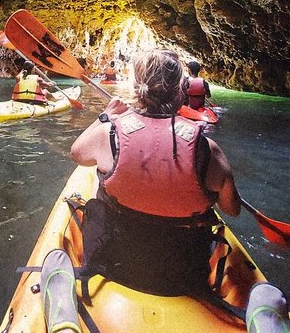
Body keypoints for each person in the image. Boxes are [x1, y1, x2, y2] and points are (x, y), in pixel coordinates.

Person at [69, 49, 240, 297]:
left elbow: (77, 154)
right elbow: (232, 209)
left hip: (115, 264)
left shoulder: (110, 135)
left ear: (137, 87)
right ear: (179, 89)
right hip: (183, 275)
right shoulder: (206, 149)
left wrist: (105, 116)